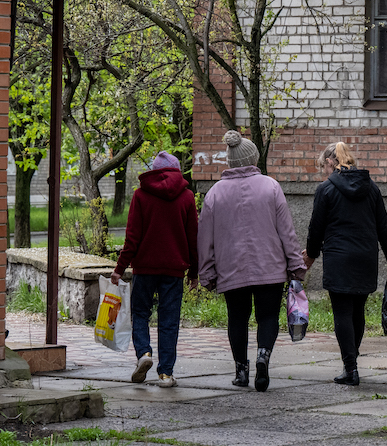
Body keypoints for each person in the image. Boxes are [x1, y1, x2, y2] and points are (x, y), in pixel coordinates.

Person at [198, 130, 305, 392]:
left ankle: (241, 371)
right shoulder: (271, 186)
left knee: (237, 317)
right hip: (270, 267)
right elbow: (286, 232)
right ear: (252, 159)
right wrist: (295, 265)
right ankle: (262, 356)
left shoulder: (214, 194)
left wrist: (206, 273)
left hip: (230, 269)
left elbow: (205, 239)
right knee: (268, 316)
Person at [303, 141, 387, 387]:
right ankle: (352, 362)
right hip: (365, 257)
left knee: (342, 312)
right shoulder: (372, 188)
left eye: (323, 167)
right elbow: (384, 227)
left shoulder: (325, 190)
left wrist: (310, 256)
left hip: (339, 258)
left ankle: (351, 368)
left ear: (330, 162)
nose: (324, 172)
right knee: (357, 311)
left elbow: (316, 228)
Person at [111, 151, 198, 389]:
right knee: (169, 320)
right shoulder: (187, 197)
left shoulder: (141, 196)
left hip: (144, 268)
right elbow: (193, 238)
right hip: (174, 270)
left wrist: (120, 268)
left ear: (154, 171)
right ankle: (166, 375)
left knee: (140, 313)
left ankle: (144, 354)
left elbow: (132, 237)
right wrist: (194, 272)